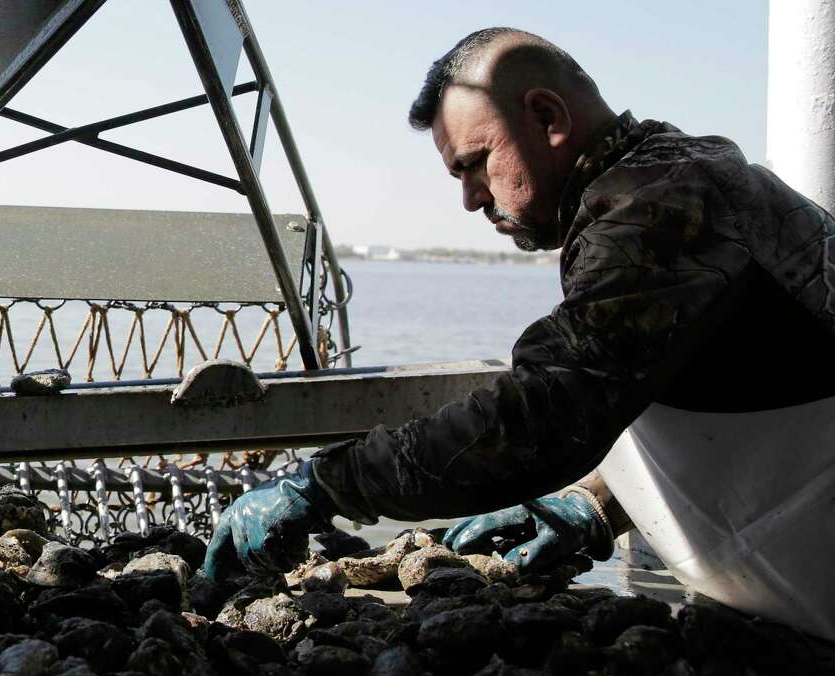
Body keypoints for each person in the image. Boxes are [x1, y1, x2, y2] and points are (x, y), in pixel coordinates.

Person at [201, 28, 835, 639]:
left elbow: (545, 412)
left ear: (547, 118)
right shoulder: (664, 185)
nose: (472, 200)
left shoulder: (667, 206)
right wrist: (597, 505)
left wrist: (328, 482)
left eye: (474, 165)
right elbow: (702, 377)